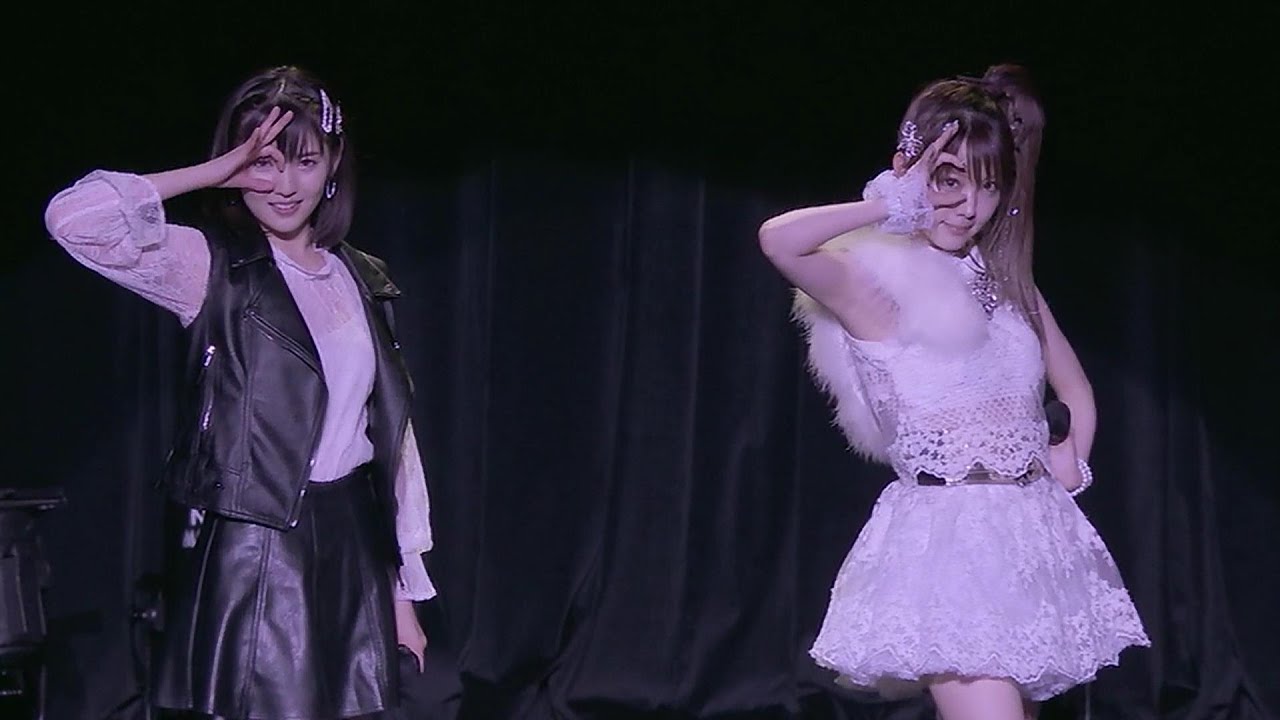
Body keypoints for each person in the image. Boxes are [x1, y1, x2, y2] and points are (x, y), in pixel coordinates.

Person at [44, 65, 436, 720]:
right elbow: (73, 220)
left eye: (304, 162)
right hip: (257, 549)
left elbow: (392, 443)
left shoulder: (362, 277)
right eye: (264, 164)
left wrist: (403, 592)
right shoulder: (209, 265)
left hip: (351, 544)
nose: (282, 185)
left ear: (333, 164)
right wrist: (215, 171)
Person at [758, 68, 1149, 720]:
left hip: (1032, 537)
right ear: (910, 170)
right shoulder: (874, 280)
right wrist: (888, 203)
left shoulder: (1002, 279)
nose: (969, 205)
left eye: (988, 185)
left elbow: (1074, 386)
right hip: (949, 548)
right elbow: (779, 240)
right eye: (949, 180)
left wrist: (1072, 457)